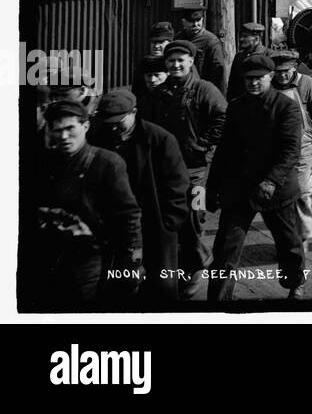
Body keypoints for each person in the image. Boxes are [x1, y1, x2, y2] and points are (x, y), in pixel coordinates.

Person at [206, 55, 306, 301]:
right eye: (248, 79)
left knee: (289, 244)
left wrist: (271, 181)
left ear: (270, 77)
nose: (252, 83)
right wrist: (212, 188)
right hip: (239, 189)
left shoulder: (287, 107)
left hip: (277, 190)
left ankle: (295, 284)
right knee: (225, 250)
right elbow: (224, 150)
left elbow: (290, 151)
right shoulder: (237, 106)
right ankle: (218, 301)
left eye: (258, 78)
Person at [26, 99, 142, 308]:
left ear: (85, 126)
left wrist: (127, 266)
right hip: (49, 256)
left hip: (91, 258)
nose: (63, 136)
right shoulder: (42, 162)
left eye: (70, 128)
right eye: (56, 129)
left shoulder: (107, 163)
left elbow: (128, 217)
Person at [138, 37, 226, 301]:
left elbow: (223, 118)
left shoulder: (204, 89)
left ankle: (197, 266)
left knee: (194, 217)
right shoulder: (159, 92)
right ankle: (177, 272)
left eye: (180, 61)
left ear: (190, 63)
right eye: (171, 61)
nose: (176, 65)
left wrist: (203, 144)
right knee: (170, 219)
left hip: (196, 170)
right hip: (165, 170)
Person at [89, 87, 189, 305]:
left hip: (156, 223)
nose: (113, 126)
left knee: (160, 287)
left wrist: (169, 222)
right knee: (118, 286)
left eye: (119, 120)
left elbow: (178, 185)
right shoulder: (98, 136)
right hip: (117, 224)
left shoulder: (160, 139)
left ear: (134, 112)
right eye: (108, 121)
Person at [270, 49, 312, 246]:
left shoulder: (307, 84)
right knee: (281, 197)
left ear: (294, 67)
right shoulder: (270, 87)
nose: (283, 75)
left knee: (302, 192)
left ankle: (304, 236)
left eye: (287, 70)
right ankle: (287, 236)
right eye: (278, 71)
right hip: (277, 151)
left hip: (304, 148)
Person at [175, 7, 229, 97]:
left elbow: (218, 71)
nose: (195, 24)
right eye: (191, 21)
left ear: (202, 19)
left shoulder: (211, 41)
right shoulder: (178, 39)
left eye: (198, 20)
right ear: (183, 21)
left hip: (201, 92)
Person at [227, 22, 270, 102]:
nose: (241, 39)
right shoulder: (239, 56)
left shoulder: (269, 56)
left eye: (245, 36)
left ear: (257, 39)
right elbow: (232, 85)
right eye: (241, 36)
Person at [132, 22, 175, 100]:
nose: (156, 46)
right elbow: (137, 91)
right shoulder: (144, 63)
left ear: (170, 43)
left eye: (161, 42)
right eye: (153, 42)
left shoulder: (177, 63)